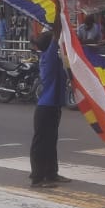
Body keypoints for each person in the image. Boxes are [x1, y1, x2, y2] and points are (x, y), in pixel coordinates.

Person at [29, 25, 71, 188]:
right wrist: (58, 17)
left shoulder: (52, 58)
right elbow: (56, 34)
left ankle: (51, 173)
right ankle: (37, 178)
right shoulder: (49, 58)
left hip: (53, 107)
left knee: (51, 142)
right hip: (46, 107)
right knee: (41, 143)